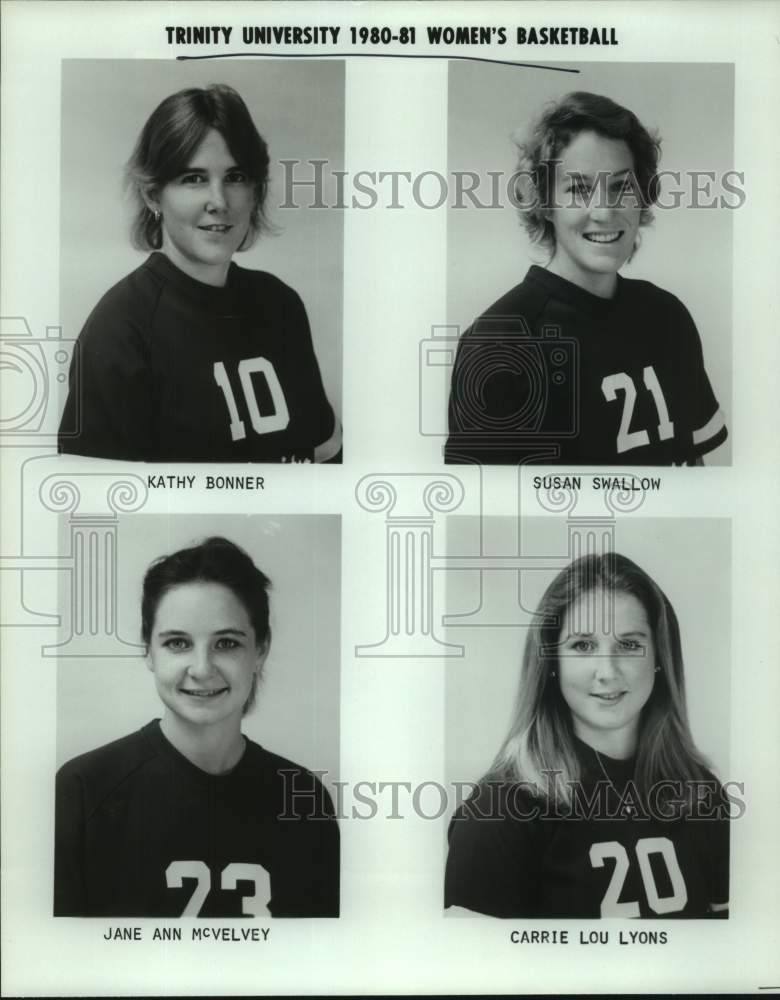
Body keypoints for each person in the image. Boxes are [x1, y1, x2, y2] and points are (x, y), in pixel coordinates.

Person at [54, 537, 340, 917]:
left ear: (261, 650)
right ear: (148, 651)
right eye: (177, 643)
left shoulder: (304, 797)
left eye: (226, 643)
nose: (202, 668)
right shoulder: (82, 790)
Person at [58, 84, 341, 463]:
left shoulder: (281, 303)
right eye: (193, 178)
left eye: (236, 177)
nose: (219, 202)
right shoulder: (120, 330)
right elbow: (98, 496)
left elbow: (320, 454)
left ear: (255, 189)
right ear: (153, 195)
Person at [445, 91, 727, 466]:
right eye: (578, 189)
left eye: (621, 187)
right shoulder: (497, 346)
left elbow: (692, 468)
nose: (604, 211)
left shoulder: (667, 316)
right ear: (544, 202)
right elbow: (486, 516)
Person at [445, 552, 730, 918]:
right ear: (551, 663)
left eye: (629, 645)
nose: (607, 671)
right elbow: (473, 972)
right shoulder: (499, 811)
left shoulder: (703, 795)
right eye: (583, 646)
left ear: (660, 657)